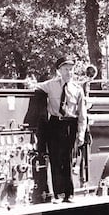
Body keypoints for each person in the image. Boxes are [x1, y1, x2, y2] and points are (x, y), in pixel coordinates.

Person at [34, 56, 87, 203]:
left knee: (68, 159)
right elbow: (35, 86)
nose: (69, 72)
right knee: (55, 159)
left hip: (70, 125)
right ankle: (58, 195)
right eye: (66, 69)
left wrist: (81, 134)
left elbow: (83, 114)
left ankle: (69, 194)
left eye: (71, 69)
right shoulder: (50, 85)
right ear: (59, 71)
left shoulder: (77, 89)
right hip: (55, 125)